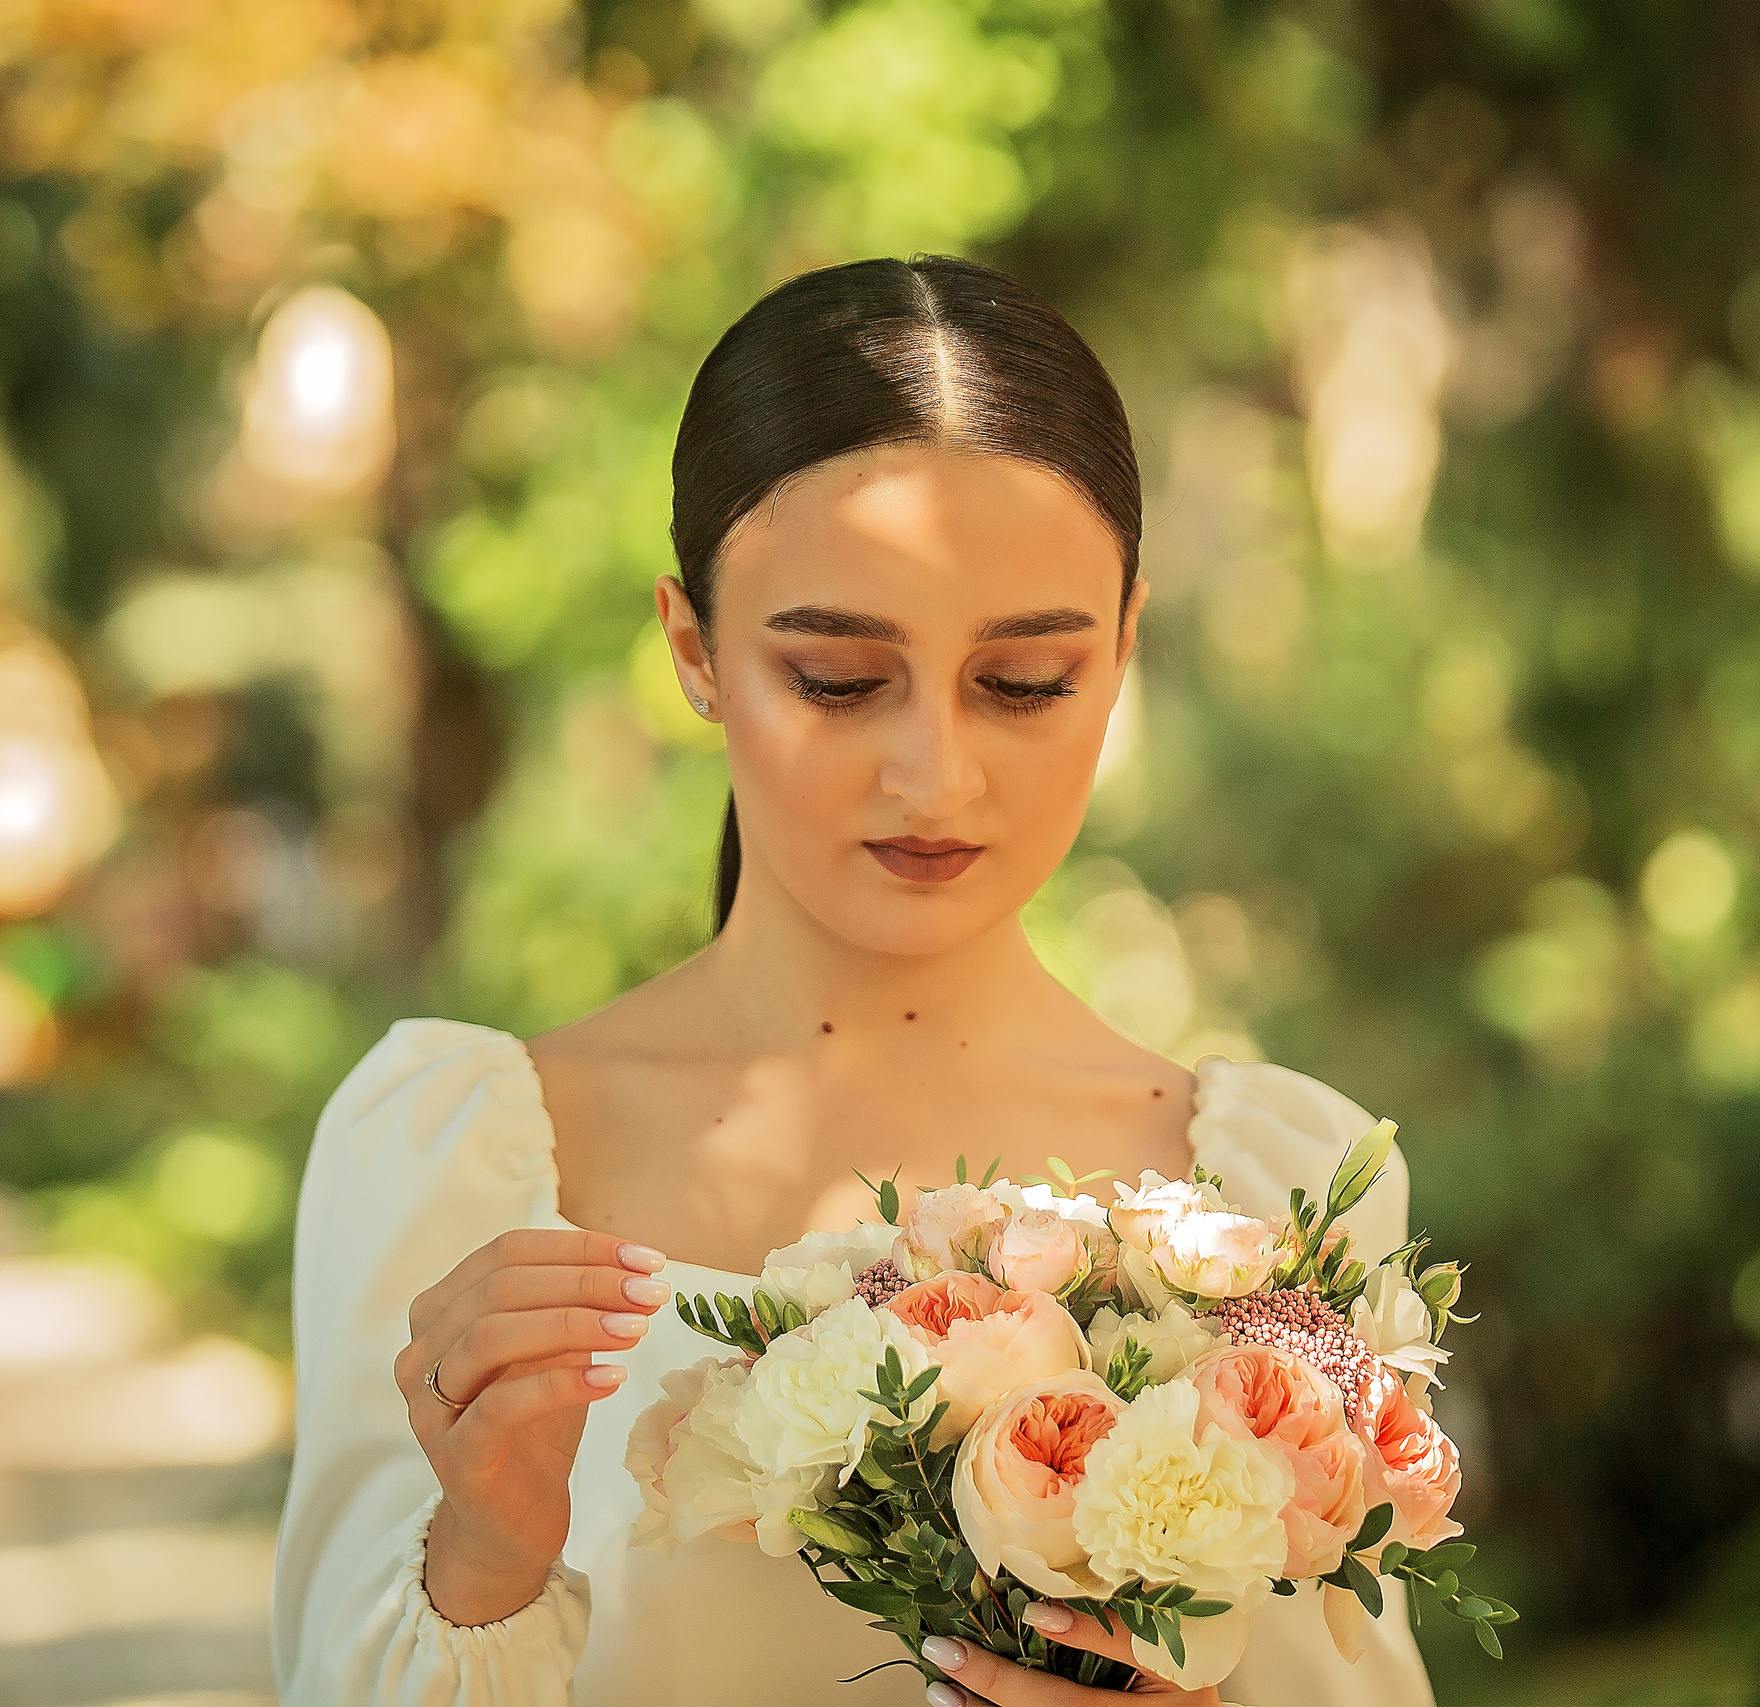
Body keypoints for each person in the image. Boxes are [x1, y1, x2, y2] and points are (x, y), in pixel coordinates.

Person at [271, 256, 1437, 1707]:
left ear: (1124, 646)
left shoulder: (1280, 1197)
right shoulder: (453, 1158)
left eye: (1023, 684)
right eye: (836, 678)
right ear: (693, 648)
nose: (935, 775)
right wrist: (493, 1550)